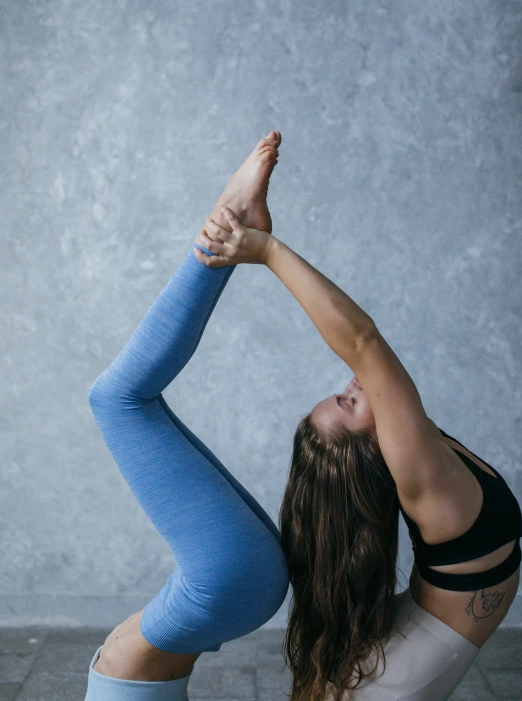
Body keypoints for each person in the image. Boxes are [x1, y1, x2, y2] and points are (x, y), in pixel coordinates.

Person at [195, 151, 522, 701]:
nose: (352, 385)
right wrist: (266, 250)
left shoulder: (417, 453)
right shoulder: (420, 476)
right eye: (348, 404)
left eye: (341, 395)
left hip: (417, 636)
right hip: (401, 677)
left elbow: (367, 357)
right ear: (377, 446)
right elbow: (363, 342)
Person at [85, 132, 289, 701]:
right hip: (222, 588)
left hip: (227, 589)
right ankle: (224, 232)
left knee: (126, 400)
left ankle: (227, 230)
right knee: (119, 399)